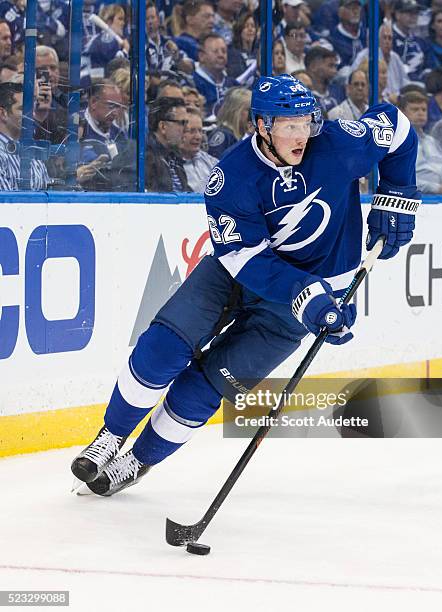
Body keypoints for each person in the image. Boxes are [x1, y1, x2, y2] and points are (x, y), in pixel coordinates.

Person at [71, 74, 421, 497]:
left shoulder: (338, 144)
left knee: (207, 387)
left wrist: (397, 195)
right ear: (261, 125)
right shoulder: (231, 176)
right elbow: (245, 258)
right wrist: (305, 295)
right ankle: (111, 435)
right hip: (236, 277)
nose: (301, 136)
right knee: (162, 348)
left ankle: (137, 460)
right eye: (288, 125)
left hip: (305, 297)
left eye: (305, 122)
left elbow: (397, 128)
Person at [398, 90, 442, 194]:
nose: (421, 113)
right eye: (415, 109)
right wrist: (436, 188)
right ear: (402, 113)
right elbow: (400, 179)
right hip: (415, 199)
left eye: (424, 109)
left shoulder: (432, 142)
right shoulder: (397, 144)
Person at [0, 81, 50, 190]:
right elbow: (6, 204)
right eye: (23, 109)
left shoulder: (32, 150)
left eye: (32, 109)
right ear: (3, 113)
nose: (32, 115)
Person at [145, 96, 190, 192]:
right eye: (182, 123)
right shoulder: (146, 158)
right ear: (163, 126)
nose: (187, 129)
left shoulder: (174, 157)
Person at [192, 33, 238, 117]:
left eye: (224, 51)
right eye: (215, 51)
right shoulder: (192, 83)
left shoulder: (233, 84)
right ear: (201, 56)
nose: (221, 55)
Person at [180, 106, 218, 192]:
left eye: (200, 131)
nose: (198, 137)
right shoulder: (170, 166)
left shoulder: (212, 162)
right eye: (191, 131)